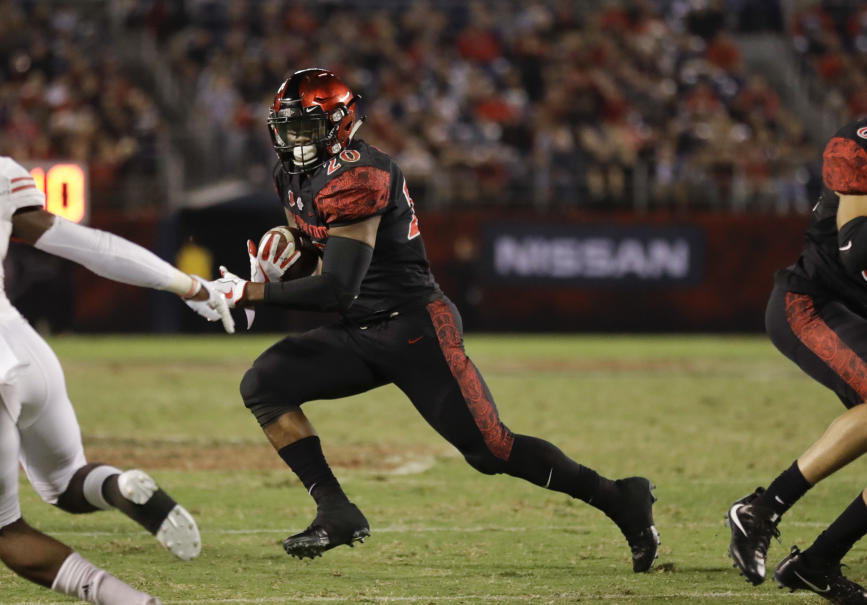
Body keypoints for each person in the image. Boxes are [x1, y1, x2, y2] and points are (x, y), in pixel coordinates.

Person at [212, 68, 659, 572]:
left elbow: (338, 285)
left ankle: (622, 498)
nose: (294, 140)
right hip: (358, 327)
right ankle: (335, 511)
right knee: (264, 383)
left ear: (340, 124)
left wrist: (251, 292)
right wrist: (275, 271)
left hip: (413, 328)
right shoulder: (290, 175)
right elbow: (320, 259)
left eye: (305, 128)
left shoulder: (360, 174)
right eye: (287, 128)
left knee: (492, 450)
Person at [0, 92, 234, 605]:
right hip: (22, 344)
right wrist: (188, 283)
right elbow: (88, 245)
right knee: (66, 483)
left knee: (0, 527)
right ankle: (120, 486)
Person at [727, 26, 867, 605]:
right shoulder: (864, 146)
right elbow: (858, 248)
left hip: (860, 316)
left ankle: (818, 560)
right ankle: (763, 506)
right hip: (809, 303)